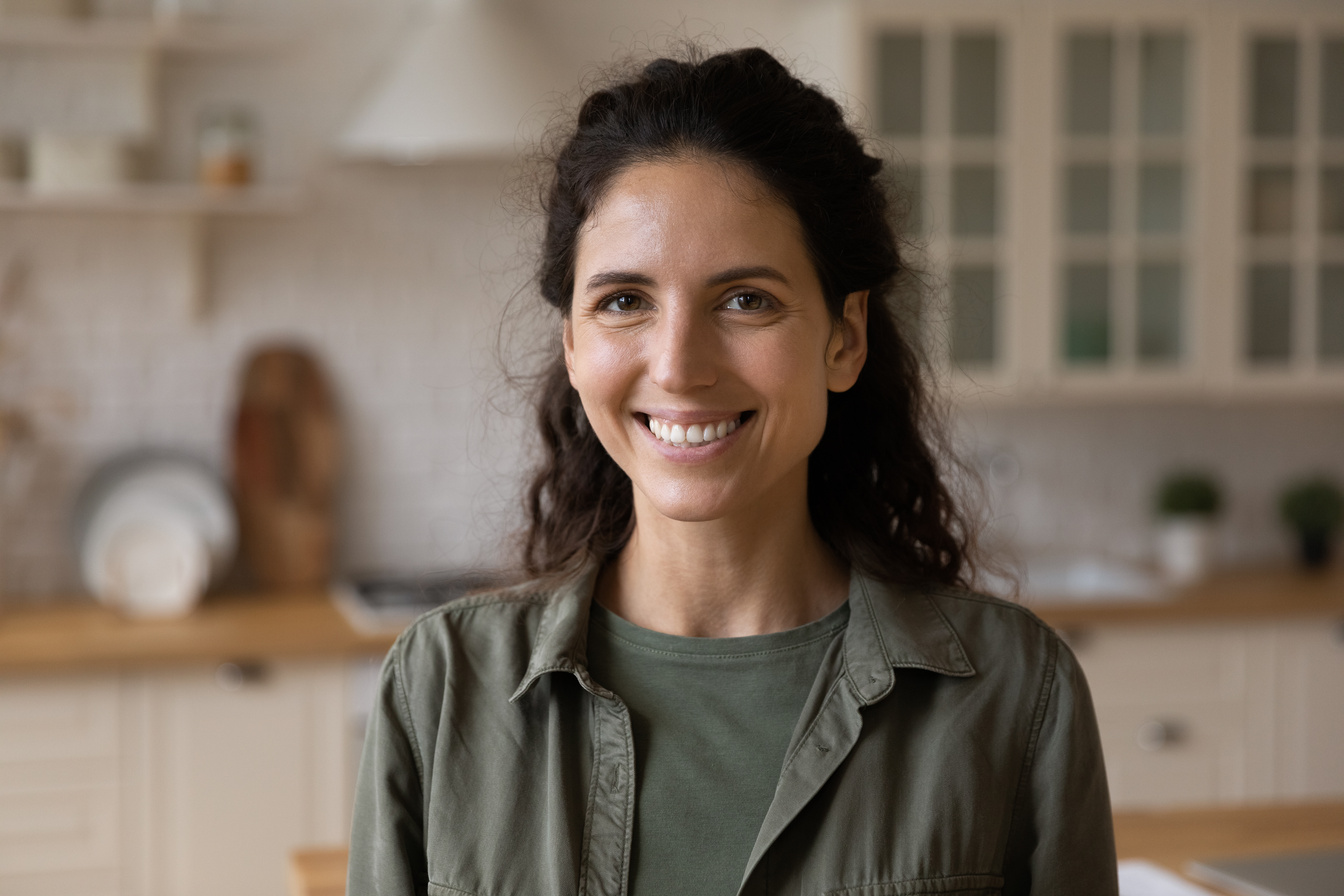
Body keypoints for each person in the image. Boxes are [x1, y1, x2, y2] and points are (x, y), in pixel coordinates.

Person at [348, 47, 1118, 896]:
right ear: (572, 341)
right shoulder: (439, 687)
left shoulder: (1017, 695)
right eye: (623, 301)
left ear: (844, 337)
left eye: (745, 299)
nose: (678, 366)